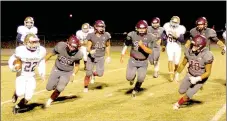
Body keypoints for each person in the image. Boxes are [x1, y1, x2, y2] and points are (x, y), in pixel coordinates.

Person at [173, 35, 214, 110]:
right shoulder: (189, 51)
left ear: (201, 46)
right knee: (181, 91)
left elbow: (208, 72)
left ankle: (178, 104)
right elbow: (183, 64)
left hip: (201, 77)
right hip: (190, 74)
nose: (193, 47)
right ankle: (194, 87)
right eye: (193, 44)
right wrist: (177, 73)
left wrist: (197, 79)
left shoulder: (207, 55)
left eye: (196, 45)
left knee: (189, 94)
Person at [8, 33, 46, 114]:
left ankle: (17, 106)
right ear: (26, 42)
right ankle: (15, 94)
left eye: (36, 41)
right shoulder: (20, 50)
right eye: (32, 42)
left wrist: (42, 72)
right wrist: (13, 67)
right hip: (21, 74)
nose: (35, 43)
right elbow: (12, 59)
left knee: (28, 97)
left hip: (31, 75)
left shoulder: (41, 51)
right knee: (20, 92)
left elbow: (41, 61)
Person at [44, 35, 83, 108]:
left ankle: (50, 100)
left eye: (74, 47)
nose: (72, 48)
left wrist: (73, 74)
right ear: (67, 43)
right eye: (71, 46)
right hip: (57, 68)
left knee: (60, 88)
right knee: (49, 88)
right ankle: (55, 84)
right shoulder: (61, 46)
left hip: (67, 72)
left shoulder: (79, 54)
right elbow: (51, 53)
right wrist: (44, 61)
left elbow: (77, 65)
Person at [120, 20, 154, 97]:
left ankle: (136, 88)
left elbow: (150, 51)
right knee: (129, 78)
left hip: (143, 62)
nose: (141, 30)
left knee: (141, 78)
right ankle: (133, 77)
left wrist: (142, 46)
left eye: (143, 28)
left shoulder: (150, 37)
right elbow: (126, 44)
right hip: (133, 60)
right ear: (137, 28)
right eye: (140, 28)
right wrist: (122, 55)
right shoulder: (132, 35)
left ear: (146, 28)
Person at [12, 16, 39, 103]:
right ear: (24, 23)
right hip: (23, 46)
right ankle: (16, 92)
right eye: (27, 22)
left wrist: (32, 43)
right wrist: (25, 42)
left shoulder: (34, 29)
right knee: (21, 64)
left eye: (30, 22)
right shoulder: (21, 28)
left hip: (30, 46)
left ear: (33, 23)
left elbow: (35, 38)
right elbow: (18, 38)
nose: (29, 24)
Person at [83, 20, 111, 92]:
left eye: (103, 26)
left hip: (101, 57)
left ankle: (93, 74)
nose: (102, 28)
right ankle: (85, 87)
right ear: (95, 27)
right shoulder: (91, 35)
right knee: (88, 73)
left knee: (100, 74)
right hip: (91, 57)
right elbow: (87, 47)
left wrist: (108, 56)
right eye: (100, 26)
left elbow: (107, 46)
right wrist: (90, 51)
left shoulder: (106, 35)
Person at [161, 16, 186, 82]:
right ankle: (171, 74)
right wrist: (163, 44)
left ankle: (175, 72)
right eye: (173, 22)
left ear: (178, 23)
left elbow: (182, 40)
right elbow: (164, 34)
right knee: (170, 59)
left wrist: (177, 37)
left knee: (177, 62)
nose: (174, 23)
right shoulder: (166, 26)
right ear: (170, 21)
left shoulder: (181, 28)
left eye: (176, 22)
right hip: (170, 45)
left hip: (177, 46)